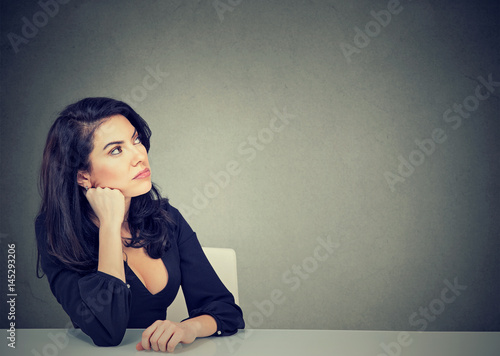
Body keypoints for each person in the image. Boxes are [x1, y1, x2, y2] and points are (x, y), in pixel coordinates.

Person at [34, 97, 245, 352]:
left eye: (135, 140)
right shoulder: (56, 232)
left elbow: (225, 310)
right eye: (116, 150)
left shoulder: (166, 217)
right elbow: (107, 333)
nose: (139, 156)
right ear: (82, 175)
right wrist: (110, 226)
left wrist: (187, 328)